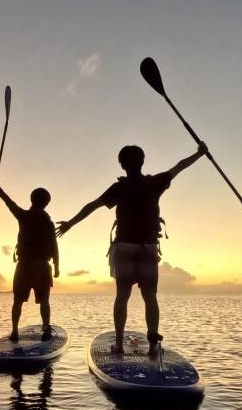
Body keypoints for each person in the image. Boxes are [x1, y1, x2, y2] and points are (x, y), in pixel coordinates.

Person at [56, 142, 207, 355]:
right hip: (148, 248)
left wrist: (70, 223)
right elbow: (180, 166)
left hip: (125, 248)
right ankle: (153, 343)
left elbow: (92, 205)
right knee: (150, 296)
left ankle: (118, 343)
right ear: (143, 161)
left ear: (121, 165)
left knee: (122, 296)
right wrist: (199, 154)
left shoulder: (119, 188)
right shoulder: (155, 182)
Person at [0, 180, 60, 342]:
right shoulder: (48, 222)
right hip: (42, 266)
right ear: (47, 203)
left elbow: (9, 202)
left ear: (31, 199)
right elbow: (54, 245)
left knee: (17, 301)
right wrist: (57, 266)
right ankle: (46, 329)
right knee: (44, 300)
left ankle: (15, 331)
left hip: (23, 266)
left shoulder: (23, 216)